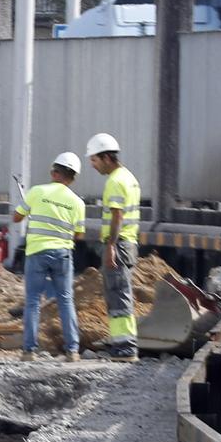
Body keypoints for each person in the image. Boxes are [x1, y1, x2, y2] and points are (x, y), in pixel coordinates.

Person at [11, 152, 85, 361]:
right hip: (62, 255)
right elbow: (79, 234)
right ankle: (72, 350)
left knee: (33, 301)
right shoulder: (78, 203)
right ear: (73, 177)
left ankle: (29, 351)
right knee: (66, 300)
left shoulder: (37, 192)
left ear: (54, 172)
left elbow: (16, 218)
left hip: (37, 253)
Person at [86, 131, 141, 361]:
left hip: (118, 245)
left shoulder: (116, 181)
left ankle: (125, 347)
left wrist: (110, 246)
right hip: (127, 244)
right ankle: (122, 343)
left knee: (118, 295)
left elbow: (117, 216)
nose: (93, 165)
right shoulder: (129, 177)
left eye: (95, 160)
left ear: (107, 157)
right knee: (119, 293)